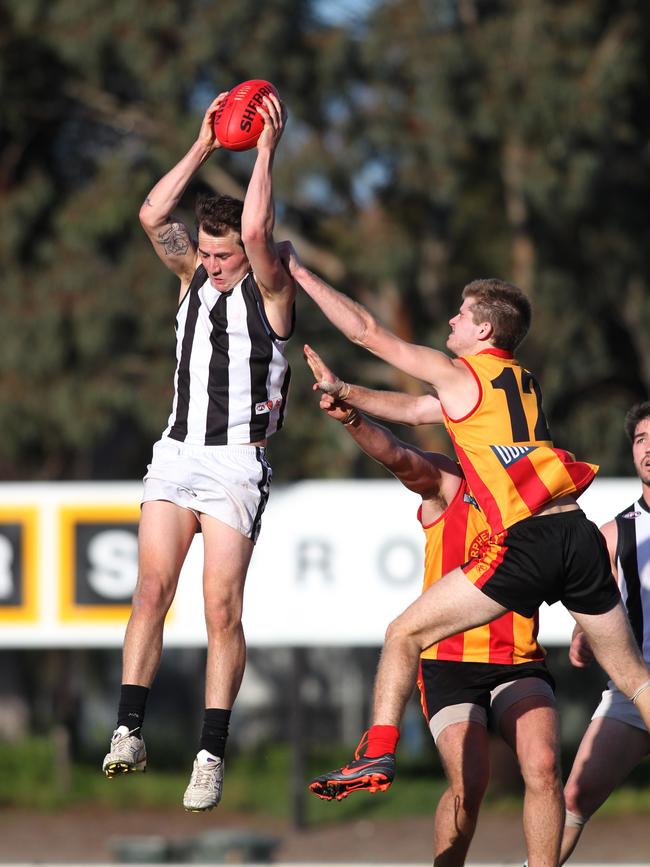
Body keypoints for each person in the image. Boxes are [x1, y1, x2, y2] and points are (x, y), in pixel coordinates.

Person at [278, 243, 650, 814]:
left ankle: (377, 751)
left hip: (528, 540)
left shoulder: (461, 374)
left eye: (460, 312)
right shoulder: (517, 379)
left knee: (404, 633)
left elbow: (371, 334)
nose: (451, 320)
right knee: (636, 680)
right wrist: (347, 394)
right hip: (575, 533)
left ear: (482, 329)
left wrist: (300, 273)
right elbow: (416, 411)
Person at [101, 91, 296, 813]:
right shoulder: (190, 279)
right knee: (151, 590)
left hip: (236, 464)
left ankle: (210, 750)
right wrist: (206, 143)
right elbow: (154, 215)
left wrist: (264, 150)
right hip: (178, 453)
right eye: (206, 252)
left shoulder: (271, 292)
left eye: (224, 254)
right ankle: (130, 728)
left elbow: (254, 224)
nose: (212, 263)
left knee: (221, 608)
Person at [305, 345, 563, 866]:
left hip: (518, 659)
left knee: (544, 767)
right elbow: (399, 455)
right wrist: (353, 417)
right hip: (451, 663)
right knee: (469, 786)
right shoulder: (450, 481)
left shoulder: (536, 489)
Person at [558, 401, 650, 863]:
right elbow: (598, 605)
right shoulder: (615, 532)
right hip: (635, 689)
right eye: (640, 440)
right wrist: (583, 632)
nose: (649, 449)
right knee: (573, 797)